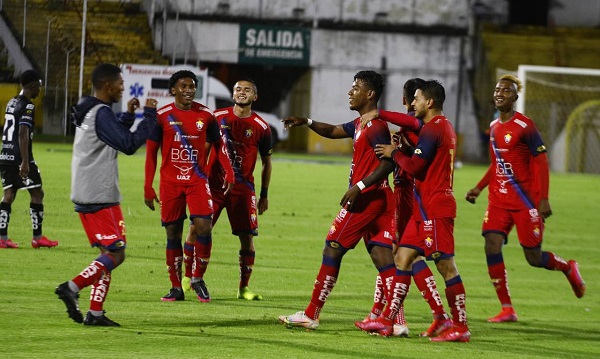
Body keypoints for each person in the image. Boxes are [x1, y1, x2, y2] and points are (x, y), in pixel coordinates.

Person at [278, 70, 419, 331]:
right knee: (383, 258)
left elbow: (388, 162)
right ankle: (398, 322)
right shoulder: (360, 124)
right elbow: (332, 130)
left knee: (332, 248)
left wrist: (360, 186)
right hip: (381, 198)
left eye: (355, 88)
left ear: (370, 94)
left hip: (366, 199)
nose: (349, 92)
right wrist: (306, 121)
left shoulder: (376, 127)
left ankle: (311, 314)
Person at [465, 74, 585, 323]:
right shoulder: (495, 127)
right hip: (498, 201)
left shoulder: (526, 126)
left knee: (533, 257)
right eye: (497, 90)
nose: (500, 93)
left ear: (515, 97)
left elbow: (542, 162)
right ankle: (507, 308)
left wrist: (543, 199)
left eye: (506, 91)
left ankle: (567, 267)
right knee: (491, 244)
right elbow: (496, 164)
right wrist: (479, 188)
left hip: (525, 202)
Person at [361, 80, 470, 342]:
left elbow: (416, 168)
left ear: (429, 103)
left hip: (435, 207)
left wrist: (395, 152)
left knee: (446, 267)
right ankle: (388, 321)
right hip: (424, 209)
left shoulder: (434, 128)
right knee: (402, 257)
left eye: (417, 99)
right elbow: (425, 162)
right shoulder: (438, 128)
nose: (413, 103)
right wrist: (407, 149)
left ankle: (460, 326)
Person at [55, 63, 157, 326]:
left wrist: (128, 116)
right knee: (116, 253)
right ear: (108, 85)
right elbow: (128, 144)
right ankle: (72, 287)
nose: (123, 87)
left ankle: (96, 313)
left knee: (106, 255)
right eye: (120, 83)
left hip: (88, 191)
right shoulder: (100, 112)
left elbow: (108, 136)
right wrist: (149, 116)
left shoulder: (90, 108)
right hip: (98, 194)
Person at [144, 70, 233, 303]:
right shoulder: (162, 116)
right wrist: (148, 186)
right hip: (170, 184)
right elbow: (151, 153)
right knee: (173, 234)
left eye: (192, 86)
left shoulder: (206, 115)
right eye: (183, 86)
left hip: (197, 181)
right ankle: (175, 287)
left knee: (204, 227)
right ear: (173, 89)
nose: (188, 90)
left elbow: (219, 145)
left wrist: (229, 171)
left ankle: (197, 279)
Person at [182, 78, 272, 301]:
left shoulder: (261, 127)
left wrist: (264, 195)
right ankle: (186, 278)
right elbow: (203, 148)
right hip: (213, 186)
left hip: (243, 189)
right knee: (196, 229)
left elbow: (266, 162)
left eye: (247, 90)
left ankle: (243, 288)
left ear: (255, 97)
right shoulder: (217, 117)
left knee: (246, 238)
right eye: (238, 89)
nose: (242, 93)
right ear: (233, 94)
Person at [0, 69, 57, 249]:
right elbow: (23, 133)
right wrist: (25, 162)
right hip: (20, 157)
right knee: (37, 193)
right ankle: (37, 237)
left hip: (5, 155)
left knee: (8, 195)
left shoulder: (11, 102)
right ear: (32, 86)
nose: (40, 90)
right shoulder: (28, 106)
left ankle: (2, 238)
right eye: (39, 86)